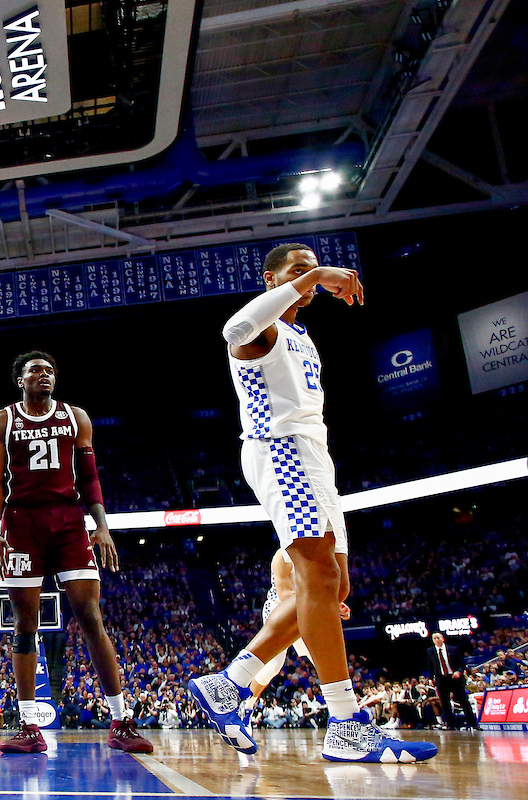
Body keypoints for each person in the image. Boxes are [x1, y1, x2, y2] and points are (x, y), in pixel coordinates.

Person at [187, 243, 436, 763]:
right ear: (270, 277)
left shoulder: (302, 335)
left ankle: (230, 683)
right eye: (295, 271)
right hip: (281, 452)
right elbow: (231, 331)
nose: (308, 280)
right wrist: (318, 274)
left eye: (310, 269)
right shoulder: (265, 331)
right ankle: (346, 722)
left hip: (315, 460)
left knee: (332, 583)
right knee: (315, 576)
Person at [0, 351, 152, 756]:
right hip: (22, 522)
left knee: (90, 615)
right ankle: (28, 725)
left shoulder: (76, 417)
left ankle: (120, 720)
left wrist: (103, 526)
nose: (44, 375)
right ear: (19, 380)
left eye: (50, 370)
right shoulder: (3, 421)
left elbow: (90, 477)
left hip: (68, 519)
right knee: (25, 624)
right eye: (35, 371)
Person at [238, 548, 351, 720]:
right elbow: (286, 595)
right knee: (273, 666)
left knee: (325, 659)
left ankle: (346, 714)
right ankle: (247, 706)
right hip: (280, 607)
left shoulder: (317, 550)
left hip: (310, 606)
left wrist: (336, 603)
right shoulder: (281, 556)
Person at [427, 632, 478, 730]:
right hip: (441, 678)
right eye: (434, 638)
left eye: (438, 638)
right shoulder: (430, 651)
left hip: (454, 677)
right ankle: (451, 724)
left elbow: (461, 664)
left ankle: (473, 723)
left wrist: (458, 672)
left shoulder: (453, 649)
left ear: (443, 639)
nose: (436, 640)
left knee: (464, 701)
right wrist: (431, 678)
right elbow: (431, 666)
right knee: (445, 703)